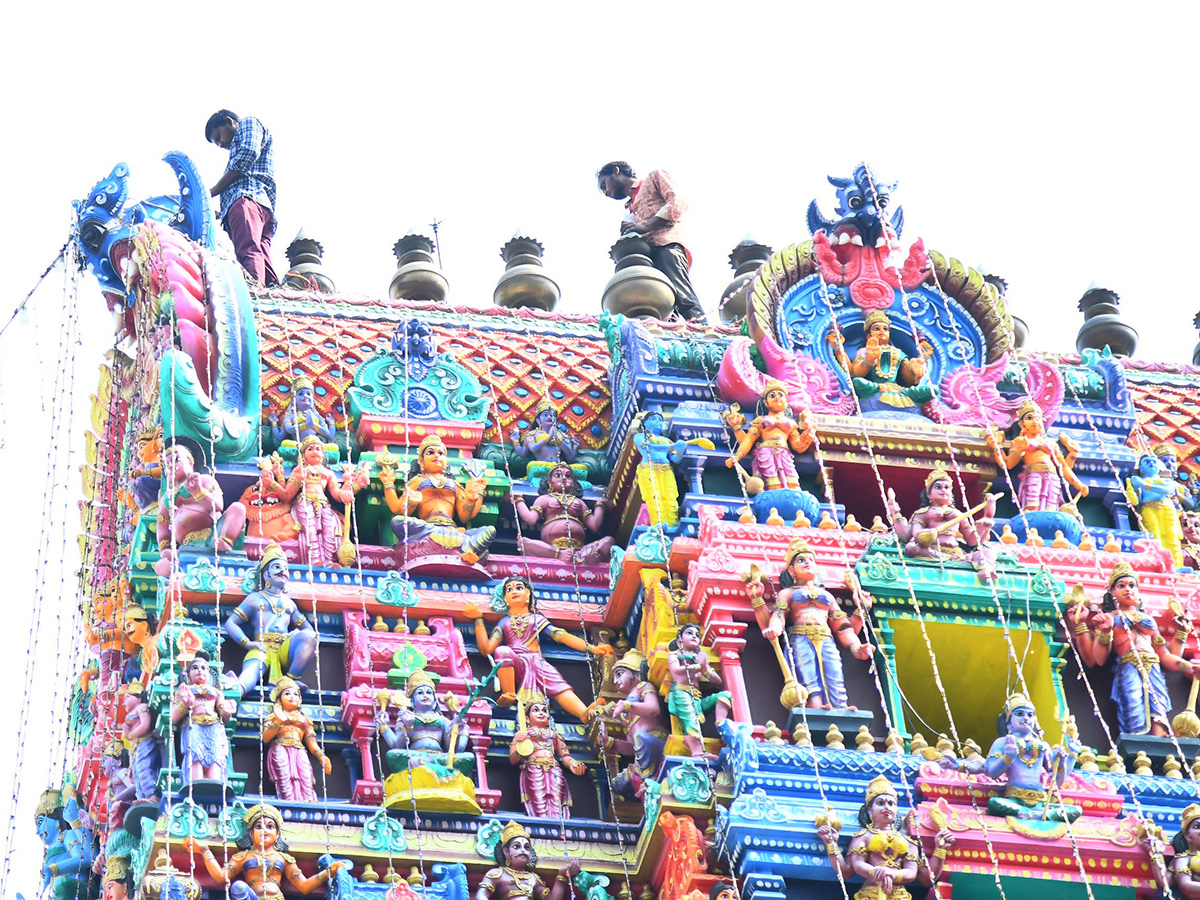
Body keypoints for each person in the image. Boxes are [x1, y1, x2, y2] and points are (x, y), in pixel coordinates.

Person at [596, 161, 706, 322]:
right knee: (663, 307)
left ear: (616, 171)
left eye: (604, 185)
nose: (606, 192)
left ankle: (703, 330)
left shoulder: (654, 177)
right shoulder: (629, 207)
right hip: (646, 260)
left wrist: (646, 227)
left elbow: (677, 202)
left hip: (666, 244)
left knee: (681, 294)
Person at [205, 109, 279, 286]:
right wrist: (220, 212)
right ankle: (270, 293)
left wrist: (212, 192)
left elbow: (248, 154)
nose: (221, 144)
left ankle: (253, 296)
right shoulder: (237, 156)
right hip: (260, 205)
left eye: (218, 137)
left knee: (247, 250)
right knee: (261, 256)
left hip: (247, 201)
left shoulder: (248, 124)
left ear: (229, 121)